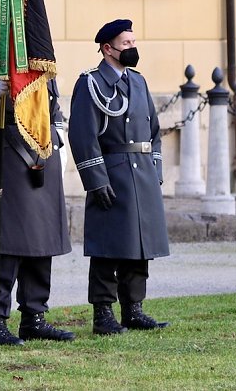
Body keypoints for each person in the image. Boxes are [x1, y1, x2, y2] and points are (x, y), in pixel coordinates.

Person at [0, 42, 74, 346]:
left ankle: (34, 316)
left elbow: (54, 109)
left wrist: (59, 149)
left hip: (45, 149)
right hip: (9, 149)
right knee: (7, 240)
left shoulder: (41, 54)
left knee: (43, 237)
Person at [68, 19, 170, 335]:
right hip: (112, 173)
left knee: (140, 246)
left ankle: (133, 309)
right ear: (107, 48)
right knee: (107, 248)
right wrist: (96, 179)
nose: (132, 48)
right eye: (126, 44)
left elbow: (154, 131)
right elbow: (83, 136)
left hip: (142, 175)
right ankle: (103, 314)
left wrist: (156, 170)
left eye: (133, 42)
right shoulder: (90, 83)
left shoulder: (138, 82)